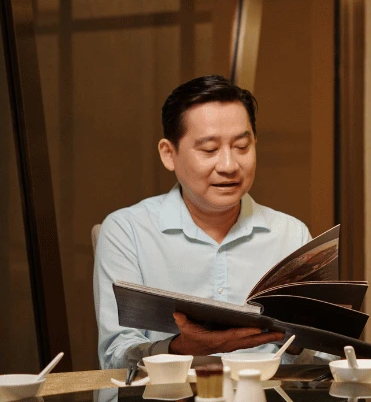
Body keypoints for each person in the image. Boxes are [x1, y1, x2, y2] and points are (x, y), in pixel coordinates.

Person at [93, 75, 311, 369]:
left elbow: (322, 360)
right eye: (209, 150)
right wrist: (179, 349)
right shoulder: (128, 231)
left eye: (242, 146)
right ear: (169, 154)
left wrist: (300, 342)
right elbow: (115, 357)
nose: (229, 166)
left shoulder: (291, 235)